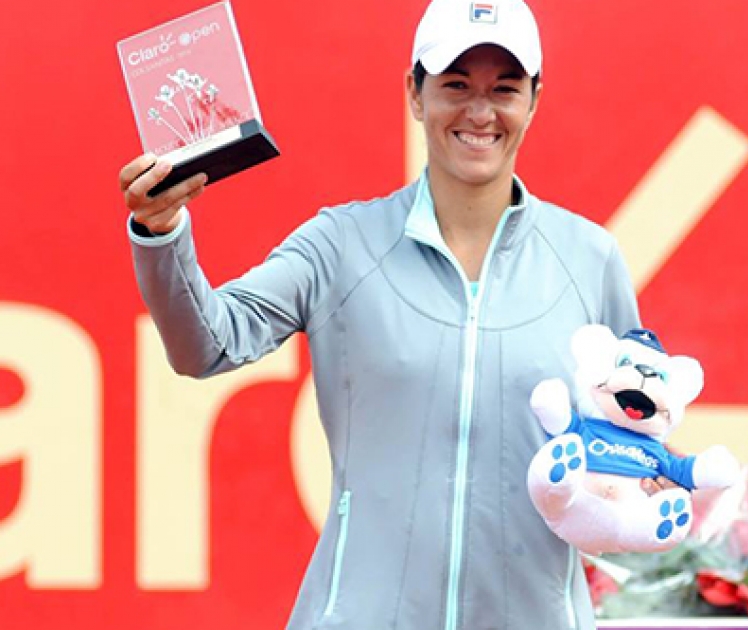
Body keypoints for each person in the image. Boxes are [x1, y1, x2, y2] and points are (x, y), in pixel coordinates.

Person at [119, 0, 664, 628]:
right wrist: (159, 231)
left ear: (534, 102)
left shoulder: (590, 259)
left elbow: (630, 436)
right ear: (414, 94)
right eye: (455, 85)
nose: (480, 112)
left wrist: (640, 484)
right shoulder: (341, 244)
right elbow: (206, 344)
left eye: (504, 89)